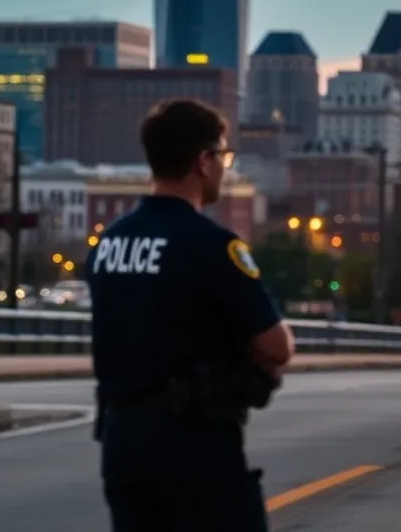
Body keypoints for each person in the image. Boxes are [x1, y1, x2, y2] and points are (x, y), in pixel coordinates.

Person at [85, 98, 294, 531]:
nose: (225, 168)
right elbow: (276, 347)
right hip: (193, 441)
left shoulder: (110, 242)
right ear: (203, 160)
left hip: (121, 439)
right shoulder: (212, 245)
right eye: (223, 156)